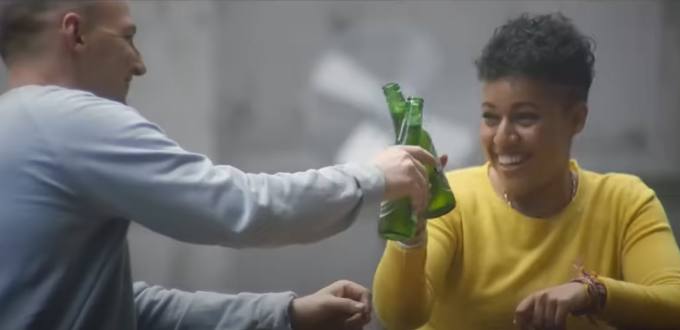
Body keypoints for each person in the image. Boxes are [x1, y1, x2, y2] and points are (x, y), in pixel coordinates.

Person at [0, 1, 440, 329]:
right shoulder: (74, 122)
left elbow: (114, 310)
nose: (140, 63)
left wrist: (283, 315)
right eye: (127, 37)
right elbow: (238, 207)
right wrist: (374, 176)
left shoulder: (19, 130)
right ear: (75, 34)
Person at [373, 12, 680, 330]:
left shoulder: (625, 202)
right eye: (490, 117)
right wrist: (411, 234)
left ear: (576, 119)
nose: (502, 138)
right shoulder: (453, 201)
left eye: (525, 118)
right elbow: (399, 316)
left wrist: (593, 293)